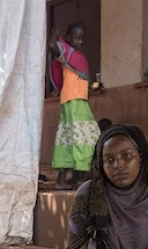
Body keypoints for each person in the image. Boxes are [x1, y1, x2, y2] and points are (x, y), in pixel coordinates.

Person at [49, 22, 101, 191]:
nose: (81, 42)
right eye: (77, 38)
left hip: (75, 99)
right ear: (69, 38)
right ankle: (79, 178)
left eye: (82, 39)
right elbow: (52, 46)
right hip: (73, 101)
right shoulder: (66, 54)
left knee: (69, 139)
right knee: (87, 136)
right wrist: (54, 34)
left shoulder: (76, 57)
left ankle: (63, 180)